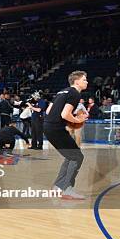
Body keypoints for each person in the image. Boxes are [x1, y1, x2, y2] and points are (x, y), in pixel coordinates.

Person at [44, 71, 89, 200]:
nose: (86, 82)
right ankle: (67, 189)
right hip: (56, 129)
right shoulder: (75, 93)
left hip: (48, 127)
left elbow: (48, 110)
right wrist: (77, 120)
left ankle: (58, 187)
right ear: (77, 82)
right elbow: (64, 114)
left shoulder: (61, 91)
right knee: (77, 157)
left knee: (70, 156)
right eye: (84, 79)